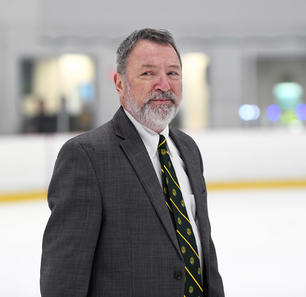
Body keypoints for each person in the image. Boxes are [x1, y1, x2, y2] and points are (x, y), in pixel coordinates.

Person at [40, 28, 225, 297]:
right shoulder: (86, 156)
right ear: (119, 83)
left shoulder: (188, 149)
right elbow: (64, 278)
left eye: (172, 73)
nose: (164, 84)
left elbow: (202, 249)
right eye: (148, 73)